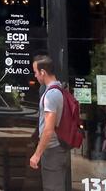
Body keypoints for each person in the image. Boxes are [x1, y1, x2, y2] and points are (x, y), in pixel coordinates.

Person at [29, 54, 70, 191]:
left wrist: (37, 155)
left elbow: (48, 129)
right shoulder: (58, 89)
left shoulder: (51, 95)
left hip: (53, 150)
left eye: (35, 72)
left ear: (43, 72)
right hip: (57, 149)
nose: (35, 76)